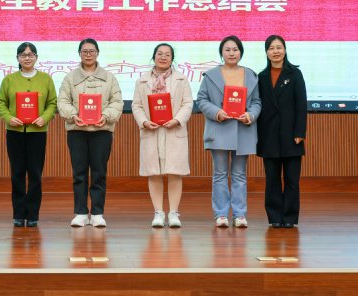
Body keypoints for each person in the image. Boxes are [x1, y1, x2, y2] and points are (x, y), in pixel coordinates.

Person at [196, 35, 261, 228]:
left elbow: (257, 102)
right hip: (219, 129)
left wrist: (251, 115)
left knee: (240, 174)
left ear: (241, 52)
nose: (232, 53)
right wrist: (216, 112)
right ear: (221, 53)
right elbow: (202, 99)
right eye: (227, 50)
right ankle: (221, 214)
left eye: (235, 49)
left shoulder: (251, 75)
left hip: (243, 129)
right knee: (220, 174)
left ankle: (240, 215)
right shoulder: (210, 75)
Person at [57, 38, 123, 228]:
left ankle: (97, 213)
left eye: (91, 51)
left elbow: (117, 101)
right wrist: (73, 115)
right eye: (84, 51)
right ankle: (80, 213)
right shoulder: (70, 78)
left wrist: (106, 116)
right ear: (79, 54)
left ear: (97, 53)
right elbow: (63, 101)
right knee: (79, 173)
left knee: (99, 173)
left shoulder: (109, 77)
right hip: (77, 131)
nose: (88, 55)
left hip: (102, 131)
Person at [0, 42, 58, 228]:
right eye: (23, 55)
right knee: (17, 173)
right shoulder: (9, 80)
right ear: (17, 58)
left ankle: (32, 214)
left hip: (37, 132)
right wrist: (9, 118)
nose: (27, 58)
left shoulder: (46, 79)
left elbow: (52, 103)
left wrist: (44, 118)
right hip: (14, 132)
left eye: (31, 55)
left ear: (36, 57)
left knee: (35, 174)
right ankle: (18, 213)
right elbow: (0, 102)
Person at [131, 43, 193, 228]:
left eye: (167, 54)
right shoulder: (142, 81)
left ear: (172, 58)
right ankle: (158, 212)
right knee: (154, 172)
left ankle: (173, 213)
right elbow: (136, 105)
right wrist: (143, 121)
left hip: (174, 130)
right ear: (154, 57)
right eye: (160, 54)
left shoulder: (182, 79)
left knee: (175, 172)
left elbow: (188, 103)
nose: (163, 57)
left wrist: (177, 120)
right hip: (152, 131)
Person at [257, 35, 307, 229]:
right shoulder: (261, 76)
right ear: (266, 52)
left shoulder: (294, 74)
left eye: (279, 47)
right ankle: (275, 216)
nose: (275, 51)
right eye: (271, 48)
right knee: (272, 180)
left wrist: (300, 131)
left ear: (285, 50)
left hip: (291, 134)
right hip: (268, 134)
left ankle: (290, 217)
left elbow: (301, 104)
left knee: (292, 180)